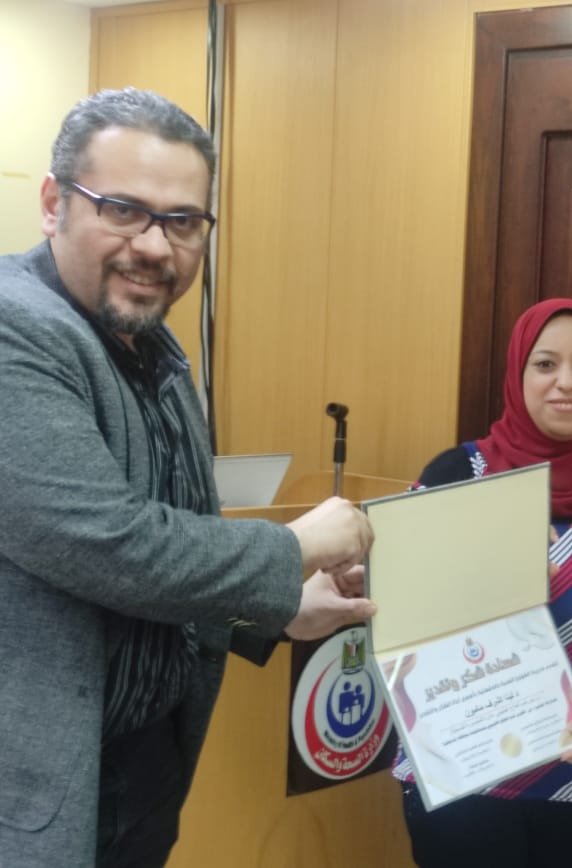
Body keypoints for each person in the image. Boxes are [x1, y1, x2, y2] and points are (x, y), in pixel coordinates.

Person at [0, 88, 378, 868]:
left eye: (182, 222)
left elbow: (164, 563)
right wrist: (295, 549)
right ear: (53, 203)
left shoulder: (153, 347)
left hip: (143, 769)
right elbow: (110, 546)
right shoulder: (17, 330)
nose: (155, 246)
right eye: (123, 210)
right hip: (33, 785)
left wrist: (277, 614)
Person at [396, 298, 572, 868]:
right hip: (463, 779)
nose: (567, 382)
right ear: (518, 373)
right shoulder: (458, 476)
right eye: (546, 364)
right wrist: (491, 576)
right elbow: (396, 618)